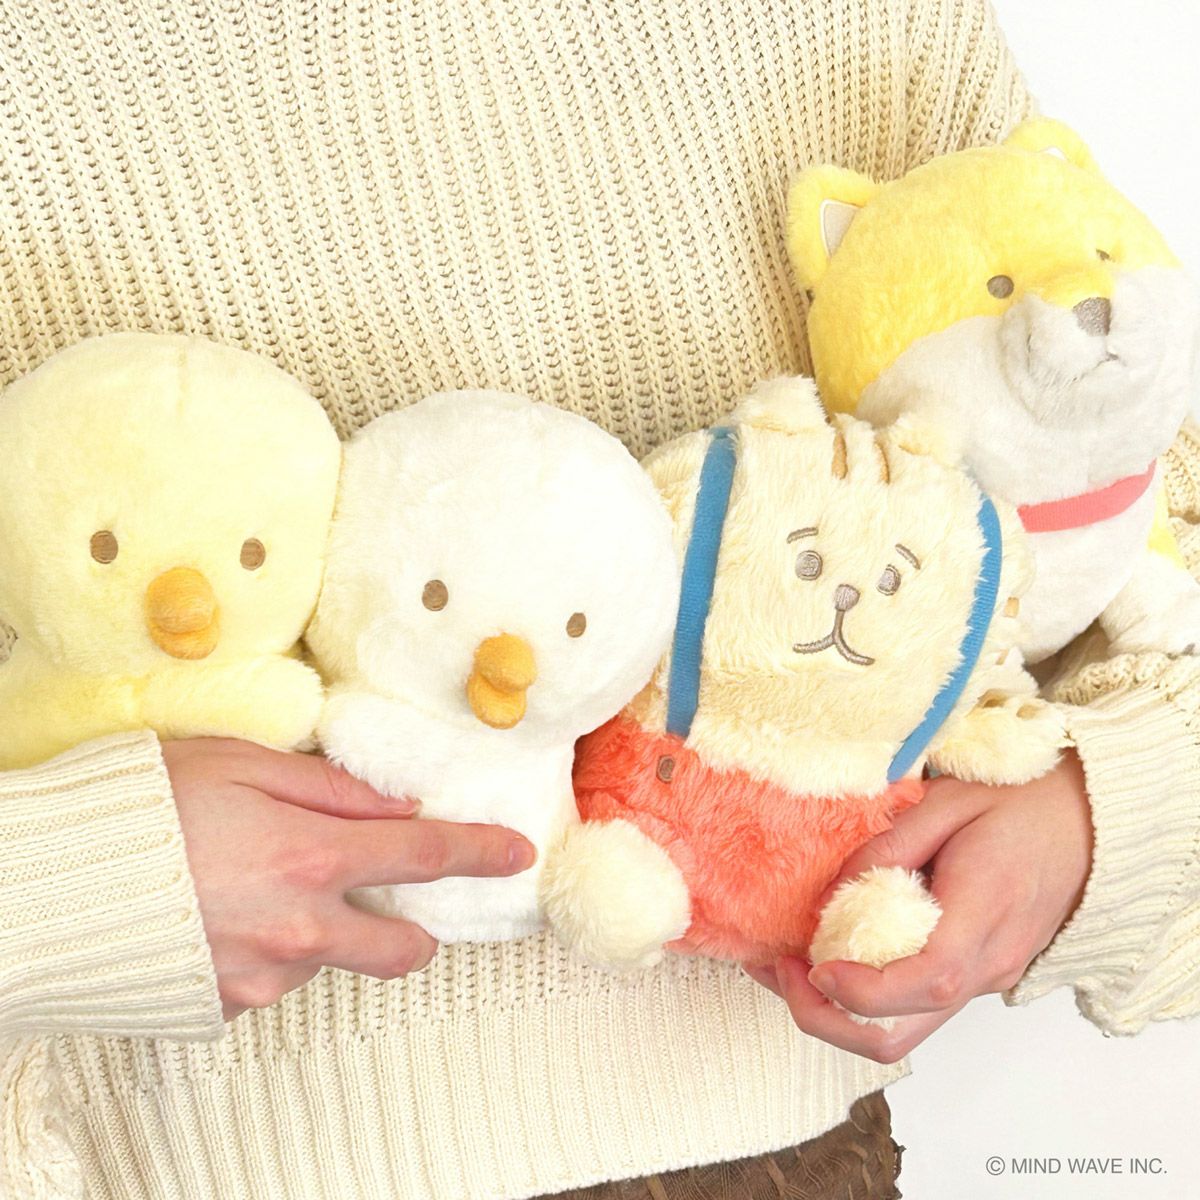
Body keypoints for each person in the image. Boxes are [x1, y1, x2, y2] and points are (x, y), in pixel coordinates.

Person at [0, 1, 1197, 1197]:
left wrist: (1097, 819)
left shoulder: (868, 25)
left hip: (779, 1149)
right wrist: (75, 881)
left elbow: (1147, 522)